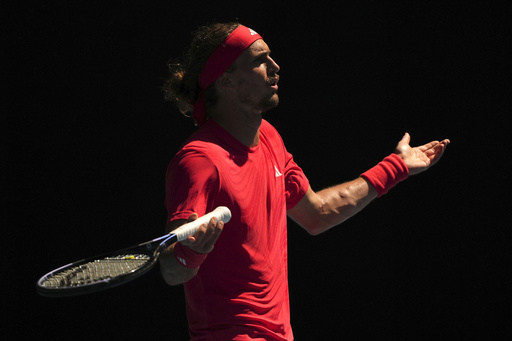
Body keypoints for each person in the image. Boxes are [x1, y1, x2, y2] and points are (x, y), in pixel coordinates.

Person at [159, 22, 450, 340]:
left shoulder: (269, 138)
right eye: (260, 60)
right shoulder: (198, 160)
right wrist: (192, 251)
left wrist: (396, 167)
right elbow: (172, 269)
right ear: (225, 78)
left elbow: (317, 213)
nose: (275, 66)